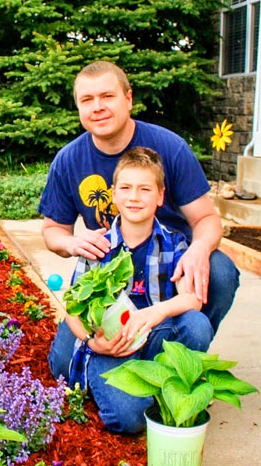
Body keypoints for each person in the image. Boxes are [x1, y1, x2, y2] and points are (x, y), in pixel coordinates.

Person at [39, 61, 239, 337]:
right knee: (63, 361)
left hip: (169, 265)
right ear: (78, 107)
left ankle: (185, 345)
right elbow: (52, 231)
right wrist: (71, 242)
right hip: (109, 270)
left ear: (128, 99)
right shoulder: (68, 161)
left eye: (107, 96)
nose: (97, 106)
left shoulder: (170, 148)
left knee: (220, 273)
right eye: (87, 99)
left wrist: (199, 249)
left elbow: (206, 219)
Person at [55, 147, 213, 433]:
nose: (134, 197)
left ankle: (161, 384)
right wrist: (93, 343)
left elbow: (193, 299)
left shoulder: (173, 243)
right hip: (110, 344)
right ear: (114, 194)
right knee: (129, 420)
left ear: (160, 196)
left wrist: (156, 313)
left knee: (197, 325)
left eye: (145, 189)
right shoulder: (98, 246)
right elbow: (73, 309)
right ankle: (120, 385)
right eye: (126, 188)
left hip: (153, 337)